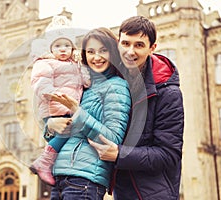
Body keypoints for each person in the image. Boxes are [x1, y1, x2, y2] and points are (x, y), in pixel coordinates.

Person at [88, 16, 185, 200]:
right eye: (125, 43)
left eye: (139, 45)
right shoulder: (112, 78)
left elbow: (168, 154)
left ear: (152, 48)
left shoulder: (168, 92)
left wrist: (119, 154)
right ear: (118, 43)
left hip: (154, 194)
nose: (130, 51)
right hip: (121, 191)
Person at [45, 27, 131, 199]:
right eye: (90, 51)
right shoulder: (83, 86)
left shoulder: (117, 86)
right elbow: (64, 134)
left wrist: (78, 112)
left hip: (85, 180)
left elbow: (112, 139)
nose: (96, 57)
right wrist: (50, 126)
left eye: (102, 51)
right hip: (60, 176)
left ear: (113, 52)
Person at [29, 16, 91, 186]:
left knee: (71, 130)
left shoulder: (74, 64)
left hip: (66, 108)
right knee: (69, 129)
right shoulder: (46, 62)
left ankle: (48, 163)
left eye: (67, 46)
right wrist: (52, 94)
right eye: (57, 46)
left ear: (73, 48)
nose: (62, 50)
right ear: (51, 48)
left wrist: (84, 71)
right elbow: (40, 82)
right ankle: (44, 161)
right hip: (54, 109)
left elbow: (84, 81)